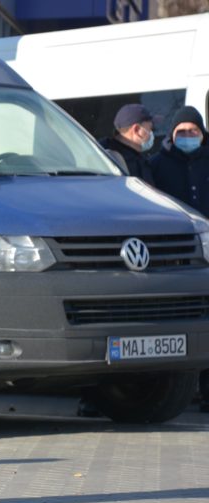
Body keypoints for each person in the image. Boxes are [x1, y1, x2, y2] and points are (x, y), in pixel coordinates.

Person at [150, 105, 209, 414]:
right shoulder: (158, 165)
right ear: (172, 135)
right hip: (175, 257)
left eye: (194, 131)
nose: (188, 136)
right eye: (181, 132)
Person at [98, 103, 155, 184]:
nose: (151, 133)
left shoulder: (137, 158)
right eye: (150, 129)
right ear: (137, 130)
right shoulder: (111, 162)